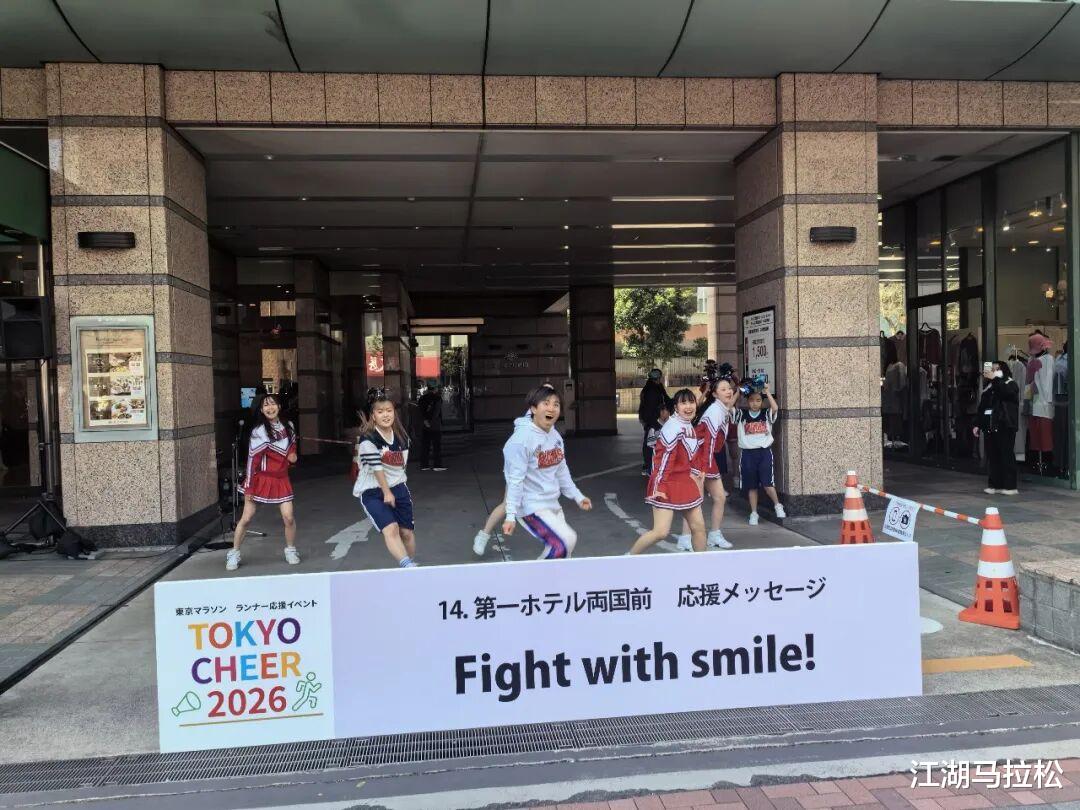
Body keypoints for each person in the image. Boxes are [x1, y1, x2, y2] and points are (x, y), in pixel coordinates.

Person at [501, 386, 592, 559]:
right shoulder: (521, 440)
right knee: (565, 542)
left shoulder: (555, 436)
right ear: (533, 409)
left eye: (556, 404)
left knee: (565, 550)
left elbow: (562, 471)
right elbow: (515, 480)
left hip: (552, 502)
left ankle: (549, 576)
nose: (551, 408)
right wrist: (510, 515)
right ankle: (537, 577)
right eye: (546, 403)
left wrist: (577, 496)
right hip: (531, 506)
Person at [628, 389, 707, 554]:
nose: (688, 406)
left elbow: (692, 454)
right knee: (660, 532)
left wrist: (699, 470)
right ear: (676, 407)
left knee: (699, 527)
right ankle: (627, 559)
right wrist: (660, 486)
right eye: (683, 403)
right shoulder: (673, 427)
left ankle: (701, 565)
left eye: (691, 402)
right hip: (665, 482)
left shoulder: (687, 425)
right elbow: (663, 461)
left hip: (684, 481)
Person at [227, 394, 299, 571]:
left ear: (279, 407)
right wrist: (249, 487)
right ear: (261, 410)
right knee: (246, 518)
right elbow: (252, 461)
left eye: (273, 404)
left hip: (281, 478)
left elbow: (292, 446)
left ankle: (290, 550)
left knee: (289, 517)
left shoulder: (289, 426)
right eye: (266, 405)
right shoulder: (258, 432)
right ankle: (234, 553)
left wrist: (292, 456)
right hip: (260, 479)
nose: (270, 408)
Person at [354, 392, 419, 568]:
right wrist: (387, 492)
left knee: (406, 533)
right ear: (373, 416)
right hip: (372, 491)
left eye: (389, 410)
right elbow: (377, 468)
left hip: (399, 488)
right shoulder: (368, 439)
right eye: (380, 411)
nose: (385, 415)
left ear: (394, 413)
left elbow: (401, 467)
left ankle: (410, 570)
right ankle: (407, 566)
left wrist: (397, 487)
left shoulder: (402, 438)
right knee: (391, 529)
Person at [674, 377, 738, 551]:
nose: (728, 391)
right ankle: (685, 538)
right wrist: (703, 467)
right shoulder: (714, 411)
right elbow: (708, 441)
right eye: (723, 389)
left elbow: (731, 402)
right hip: (700, 456)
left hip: (707, 457)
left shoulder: (722, 408)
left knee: (719, 497)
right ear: (715, 394)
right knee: (695, 500)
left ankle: (714, 534)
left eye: (729, 388)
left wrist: (738, 387)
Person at [733, 383, 786, 525]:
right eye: (751, 400)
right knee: (752, 486)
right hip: (748, 454)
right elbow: (728, 407)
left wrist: (767, 392)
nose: (755, 403)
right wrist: (738, 392)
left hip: (764, 452)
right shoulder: (742, 415)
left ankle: (777, 505)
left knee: (768, 483)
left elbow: (775, 408)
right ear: (747, 401)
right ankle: (754, 513)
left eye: (758, 400)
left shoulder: (766, 413)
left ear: (762, 402)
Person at [974, 361, 1020, 495]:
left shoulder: (1010, 383)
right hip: (990, 424)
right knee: (993, 455)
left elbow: (1005, 393)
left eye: (996, 369)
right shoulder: (989, 387)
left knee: (1006, 454)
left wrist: (995, 380)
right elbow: (983, 406)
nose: (993, 371)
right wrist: (977, 424)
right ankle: (995, 484)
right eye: (992, 369)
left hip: (1005, 424)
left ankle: (1010, 486)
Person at [638, 368, 672, 477]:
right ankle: (648, 466)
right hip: (651, 419)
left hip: (651, 419)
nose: (660, 380)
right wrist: (653, 423)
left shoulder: (654, 387)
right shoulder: (651, 391)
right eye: (659, 378)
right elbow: (651, 408)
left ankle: (650, 465)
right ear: (657, 378)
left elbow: (666, 399)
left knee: (651, 441)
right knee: (650, 442)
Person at [417, 379, 446, 471]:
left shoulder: (422, 398)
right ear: (435, 388)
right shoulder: (438, 398)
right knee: (436, 446)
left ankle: (424, 465)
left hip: (425, 425)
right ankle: (437, 465)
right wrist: (431, 422)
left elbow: (420, 411)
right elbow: (436, 412)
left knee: (425, 445)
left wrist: (425, 421)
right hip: (435, 426)